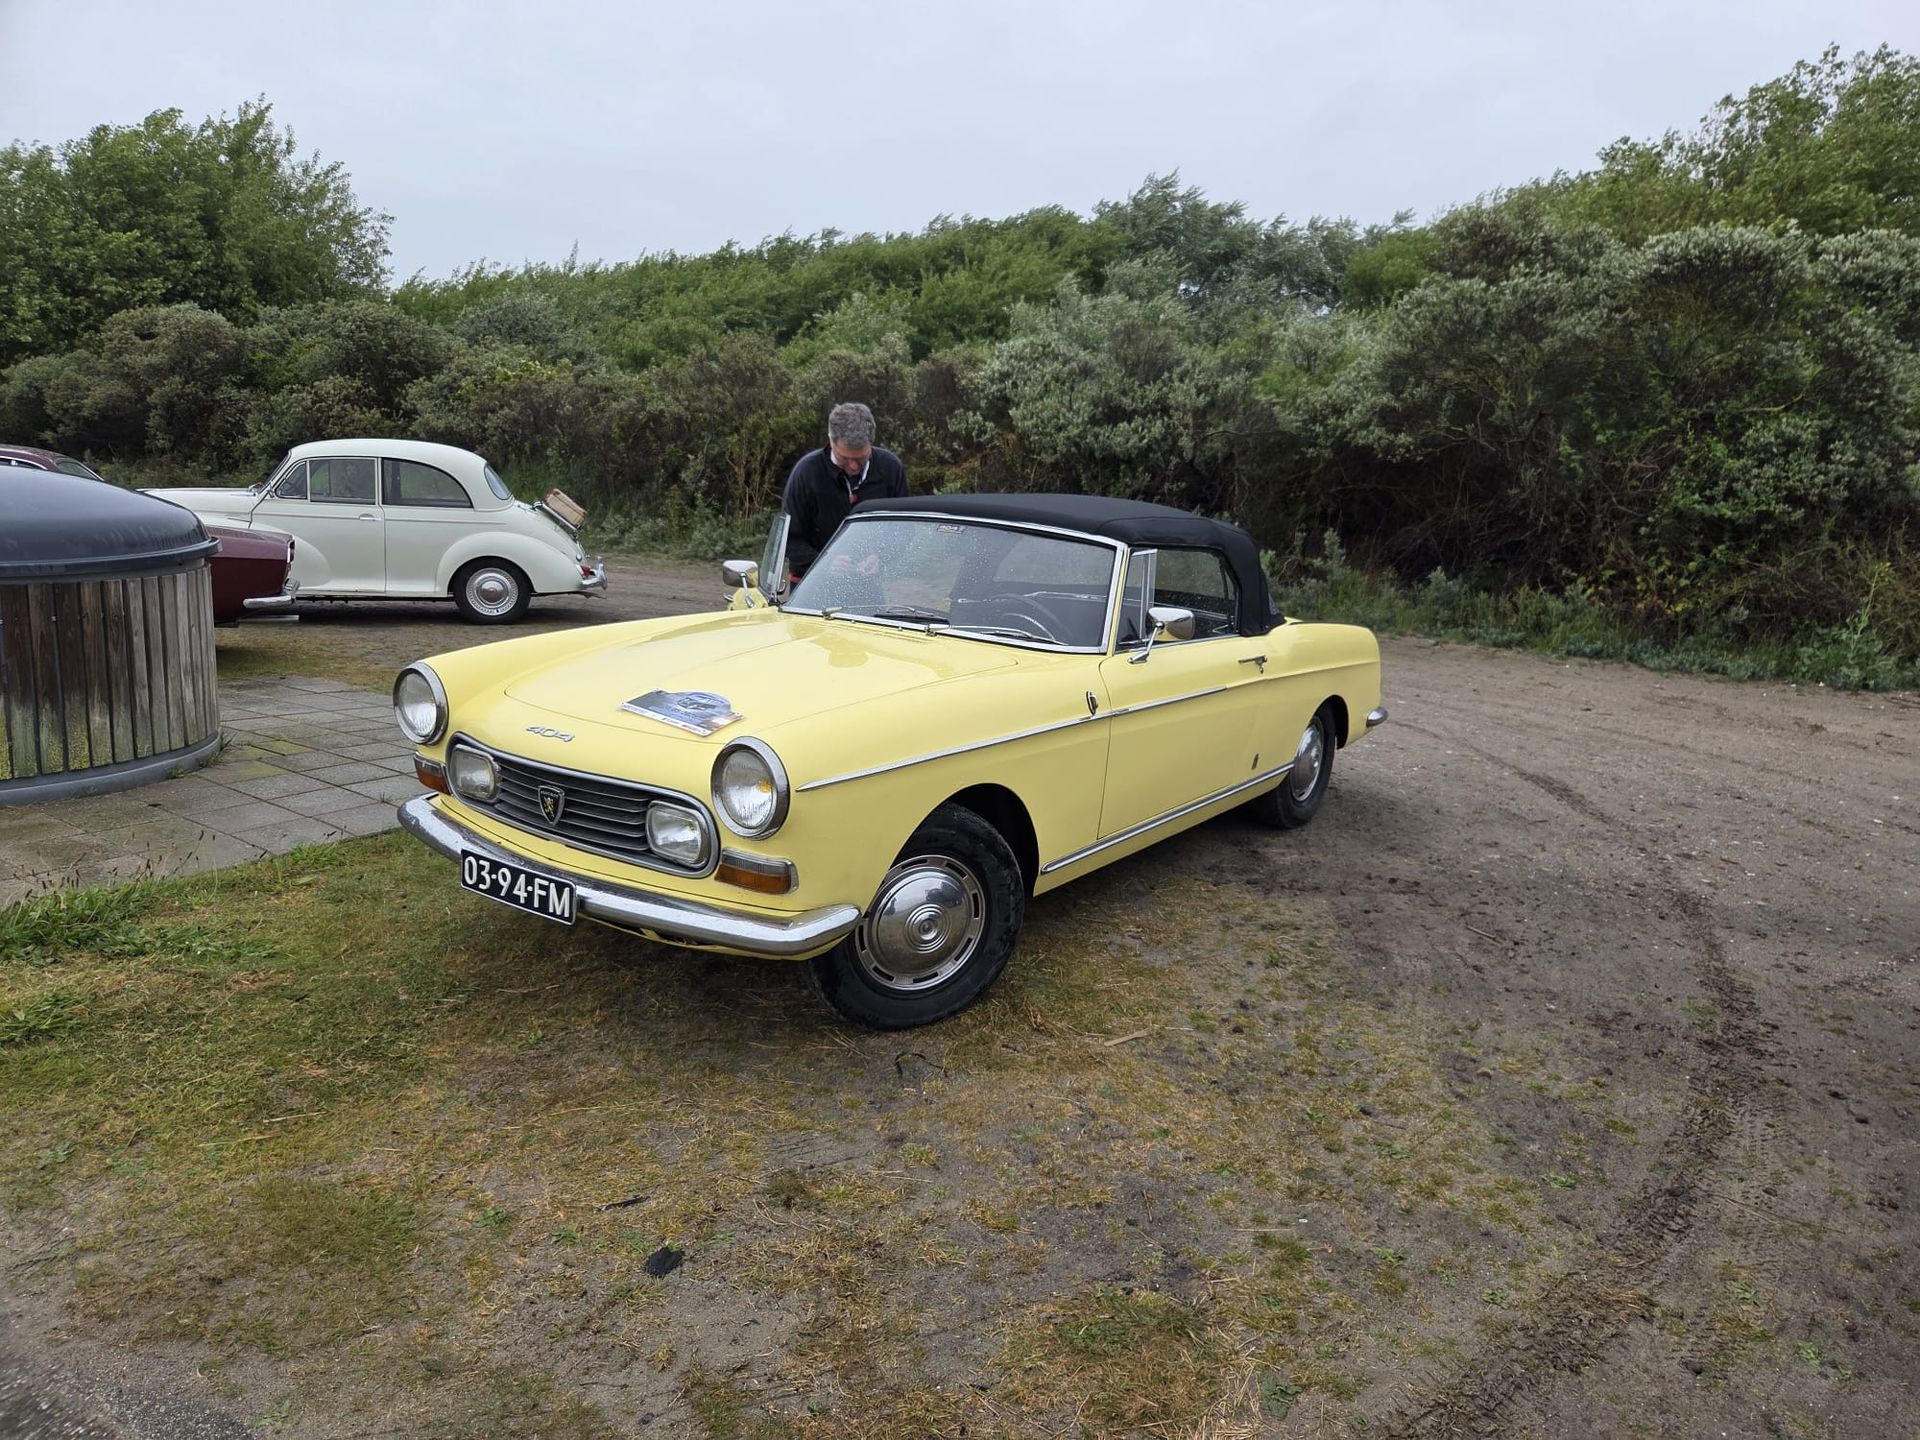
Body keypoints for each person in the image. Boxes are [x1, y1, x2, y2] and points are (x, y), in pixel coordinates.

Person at [779, 402, 907, 581]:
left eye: (861, 459)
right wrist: (825, 563)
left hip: (868, 582)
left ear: (871, 443)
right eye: (844, 459)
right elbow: (788, 539)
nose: (853, 466)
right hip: (810, 584)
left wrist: (880, 558)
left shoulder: (890, 469)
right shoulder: (807, 472)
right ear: (831, 441)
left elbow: (903, 530)